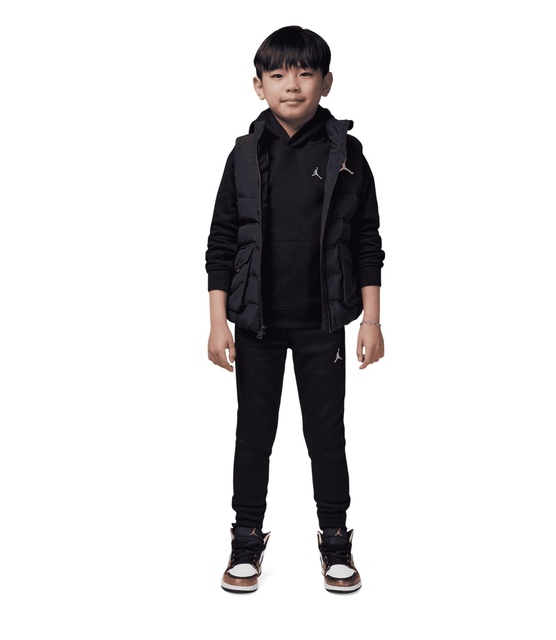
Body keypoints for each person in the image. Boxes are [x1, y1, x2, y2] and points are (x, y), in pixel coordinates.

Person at [205, 25, 385, 594]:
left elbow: (367, 240)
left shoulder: (348, 154)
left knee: (326, 434)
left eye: (305, 73)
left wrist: (372, 320)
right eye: (278, 74)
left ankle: (335, 538)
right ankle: (245, 539)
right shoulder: (242, 155)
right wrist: (216, 322)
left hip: (322, 322)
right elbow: (221, 241)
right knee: (253, 432)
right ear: (258, 85)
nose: (292, 84)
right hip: (255, 322)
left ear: (325, 83)